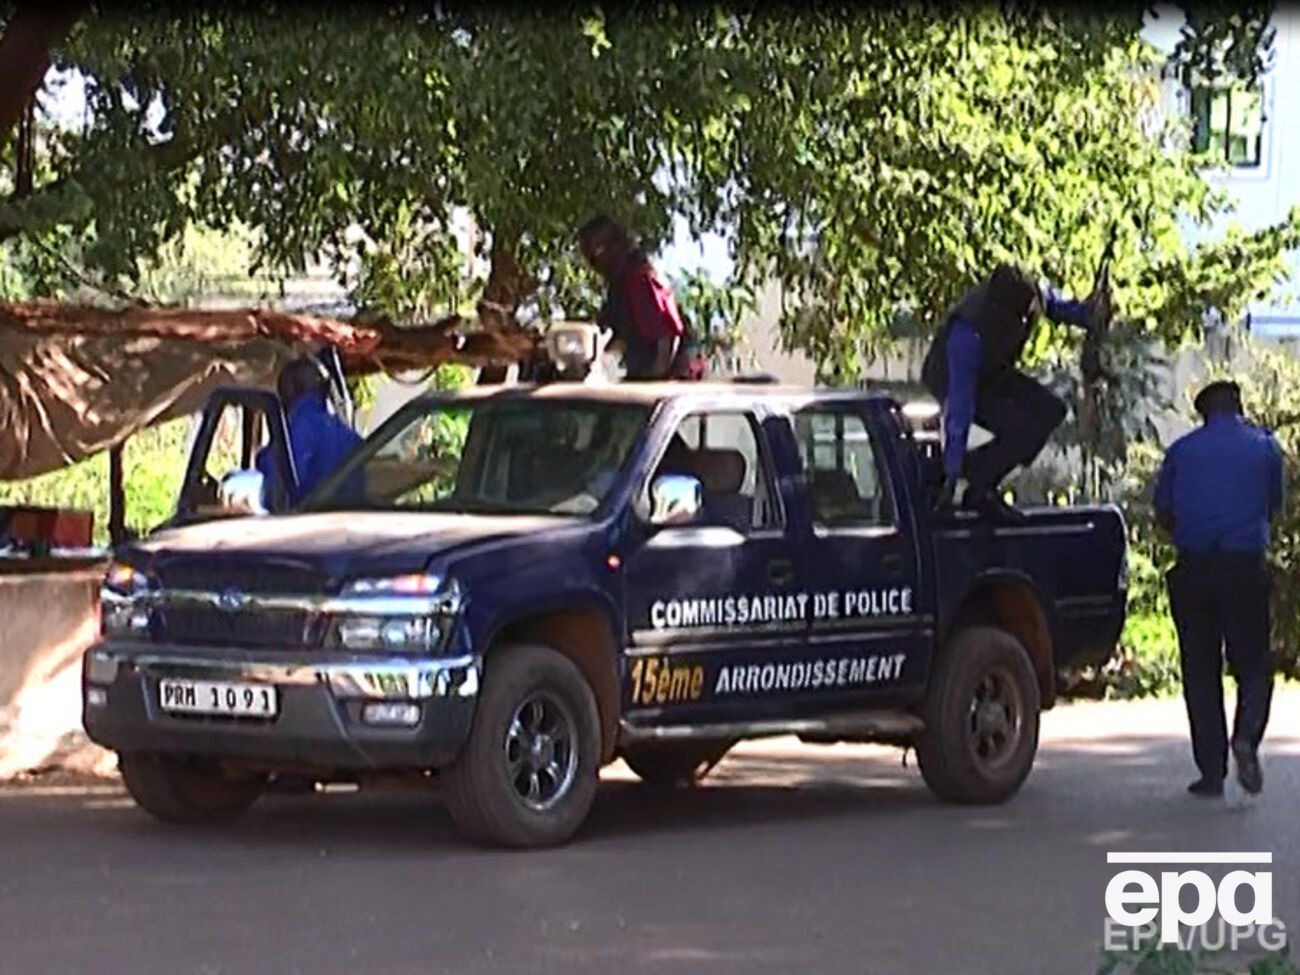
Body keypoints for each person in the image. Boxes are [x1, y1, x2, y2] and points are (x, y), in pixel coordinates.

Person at [1154, 379, 1284, 799]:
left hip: (1195, 571)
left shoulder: (1181, 452)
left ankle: (1211, 773)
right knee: (1253, 664)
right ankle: (1246, 736)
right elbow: (1273, 505)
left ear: (1203, 413)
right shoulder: (1264, 448)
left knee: (1200, 670)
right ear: (1239, 407)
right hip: (1244, 568)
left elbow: (1163, 512)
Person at [921, 263, 1100, 518]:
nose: (1026, 323)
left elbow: (1053, 304)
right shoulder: (967, 337)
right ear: (1001, 314)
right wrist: (950, 475)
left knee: (1050, 410)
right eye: (1021, 318)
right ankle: (977, 484)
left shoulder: (1030, 294)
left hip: (992, 372)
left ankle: (978, 471)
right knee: (1019, 427)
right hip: (950, 378)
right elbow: (959, 412)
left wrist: (1084, 315)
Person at [577, 214, 704, 381]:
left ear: (615, 246)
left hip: (672, 377)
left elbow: (667, 334)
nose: (594, 263)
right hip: (642, 371)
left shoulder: (639, 278)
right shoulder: (618, 284)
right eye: (588, 257)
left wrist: (657, 379)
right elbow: (607, 330)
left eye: (596, 253)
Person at [257, 355, 363, 505]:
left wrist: (263, 458)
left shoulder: (298, 431)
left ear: (288, 392)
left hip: (306, 521)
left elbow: (278, 484)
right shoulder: (348, 435)